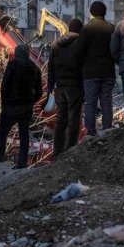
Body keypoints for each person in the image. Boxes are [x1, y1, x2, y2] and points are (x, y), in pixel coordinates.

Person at [0, 43, 42, 168]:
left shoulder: (13, 65)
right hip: (26, 107)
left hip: (11, 106)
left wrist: (5, 102)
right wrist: (31, 102)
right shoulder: (35, 68)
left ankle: (0, 160)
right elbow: (39, 91)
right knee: (24, 134)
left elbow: (4, 86)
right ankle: (22, 162)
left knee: (2, 132)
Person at [46, 18, 85, 155]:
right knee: (74, 117)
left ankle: (57, 149)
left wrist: (50, 87)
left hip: (60, 87)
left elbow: (50, 67)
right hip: (75, 86)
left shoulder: (56, 44)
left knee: (61, 118)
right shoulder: (80, 44)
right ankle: (71, 148)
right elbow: (83, 67)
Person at [78, 1, 116, 135]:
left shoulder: (86, 29)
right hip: (108, 72)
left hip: (90, 73)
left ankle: (91, 131)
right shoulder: (112, 29)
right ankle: (107, 130)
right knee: (106, 102)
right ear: (104, 13)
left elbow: (80, 51)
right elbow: (116, 50)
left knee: (90, 103)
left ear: (92, 13)